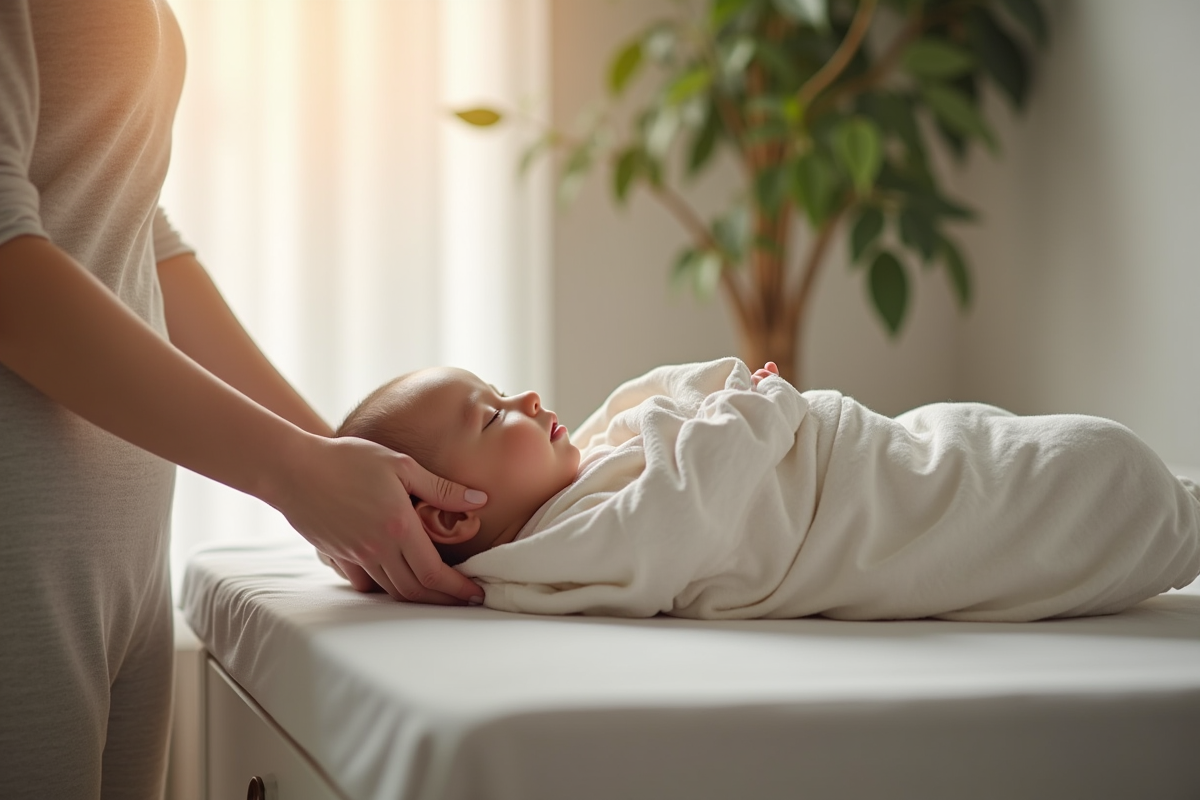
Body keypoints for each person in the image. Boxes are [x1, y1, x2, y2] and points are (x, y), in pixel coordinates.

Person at [0, 3, 485, 797]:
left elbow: (128, 224)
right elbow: (8, 268)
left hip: (117, 556)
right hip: (18, 551)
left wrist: (351, 471)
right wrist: (294, 472)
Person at [334, 357, 1200, 622]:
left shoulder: (583, 473)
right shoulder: (555, 555)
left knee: (971, 446)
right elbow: (687, 509)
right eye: (492, 419)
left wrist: (723, 392)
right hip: (874, 508)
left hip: (882, 455)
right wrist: (754, 407)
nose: (523, 400)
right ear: (452, 513)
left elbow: (657, 399)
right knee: (1038, 484)